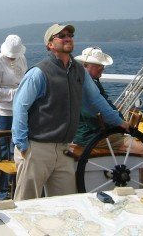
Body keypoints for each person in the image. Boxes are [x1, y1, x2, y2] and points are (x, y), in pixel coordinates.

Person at [12, 23, 130, 201]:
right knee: (25, 204)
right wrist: (22, 145)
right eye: (62, 35)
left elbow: (96, 99)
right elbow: (20, 107)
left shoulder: (79, 71)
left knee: (66, 204)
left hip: (65, 148)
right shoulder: (39, 73)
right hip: (36, 148)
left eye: (70, 35)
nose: (68, 38)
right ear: (50, 44)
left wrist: (118, 122)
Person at [73, 47, 143, 154]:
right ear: (85, 65)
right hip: (92, 135)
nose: (102, 68)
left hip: (86, 134)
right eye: (98, 65)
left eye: (102, 65)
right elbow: (96, 109)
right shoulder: (88, 85)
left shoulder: (86, 81)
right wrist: (120, 123)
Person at [0, 35, 27, 200]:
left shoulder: (22, 59)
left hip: (19, 110)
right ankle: (0, 192)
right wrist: (15, 93)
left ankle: (12, 186)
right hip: (3, 111)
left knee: (15, 147)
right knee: (1, 150)